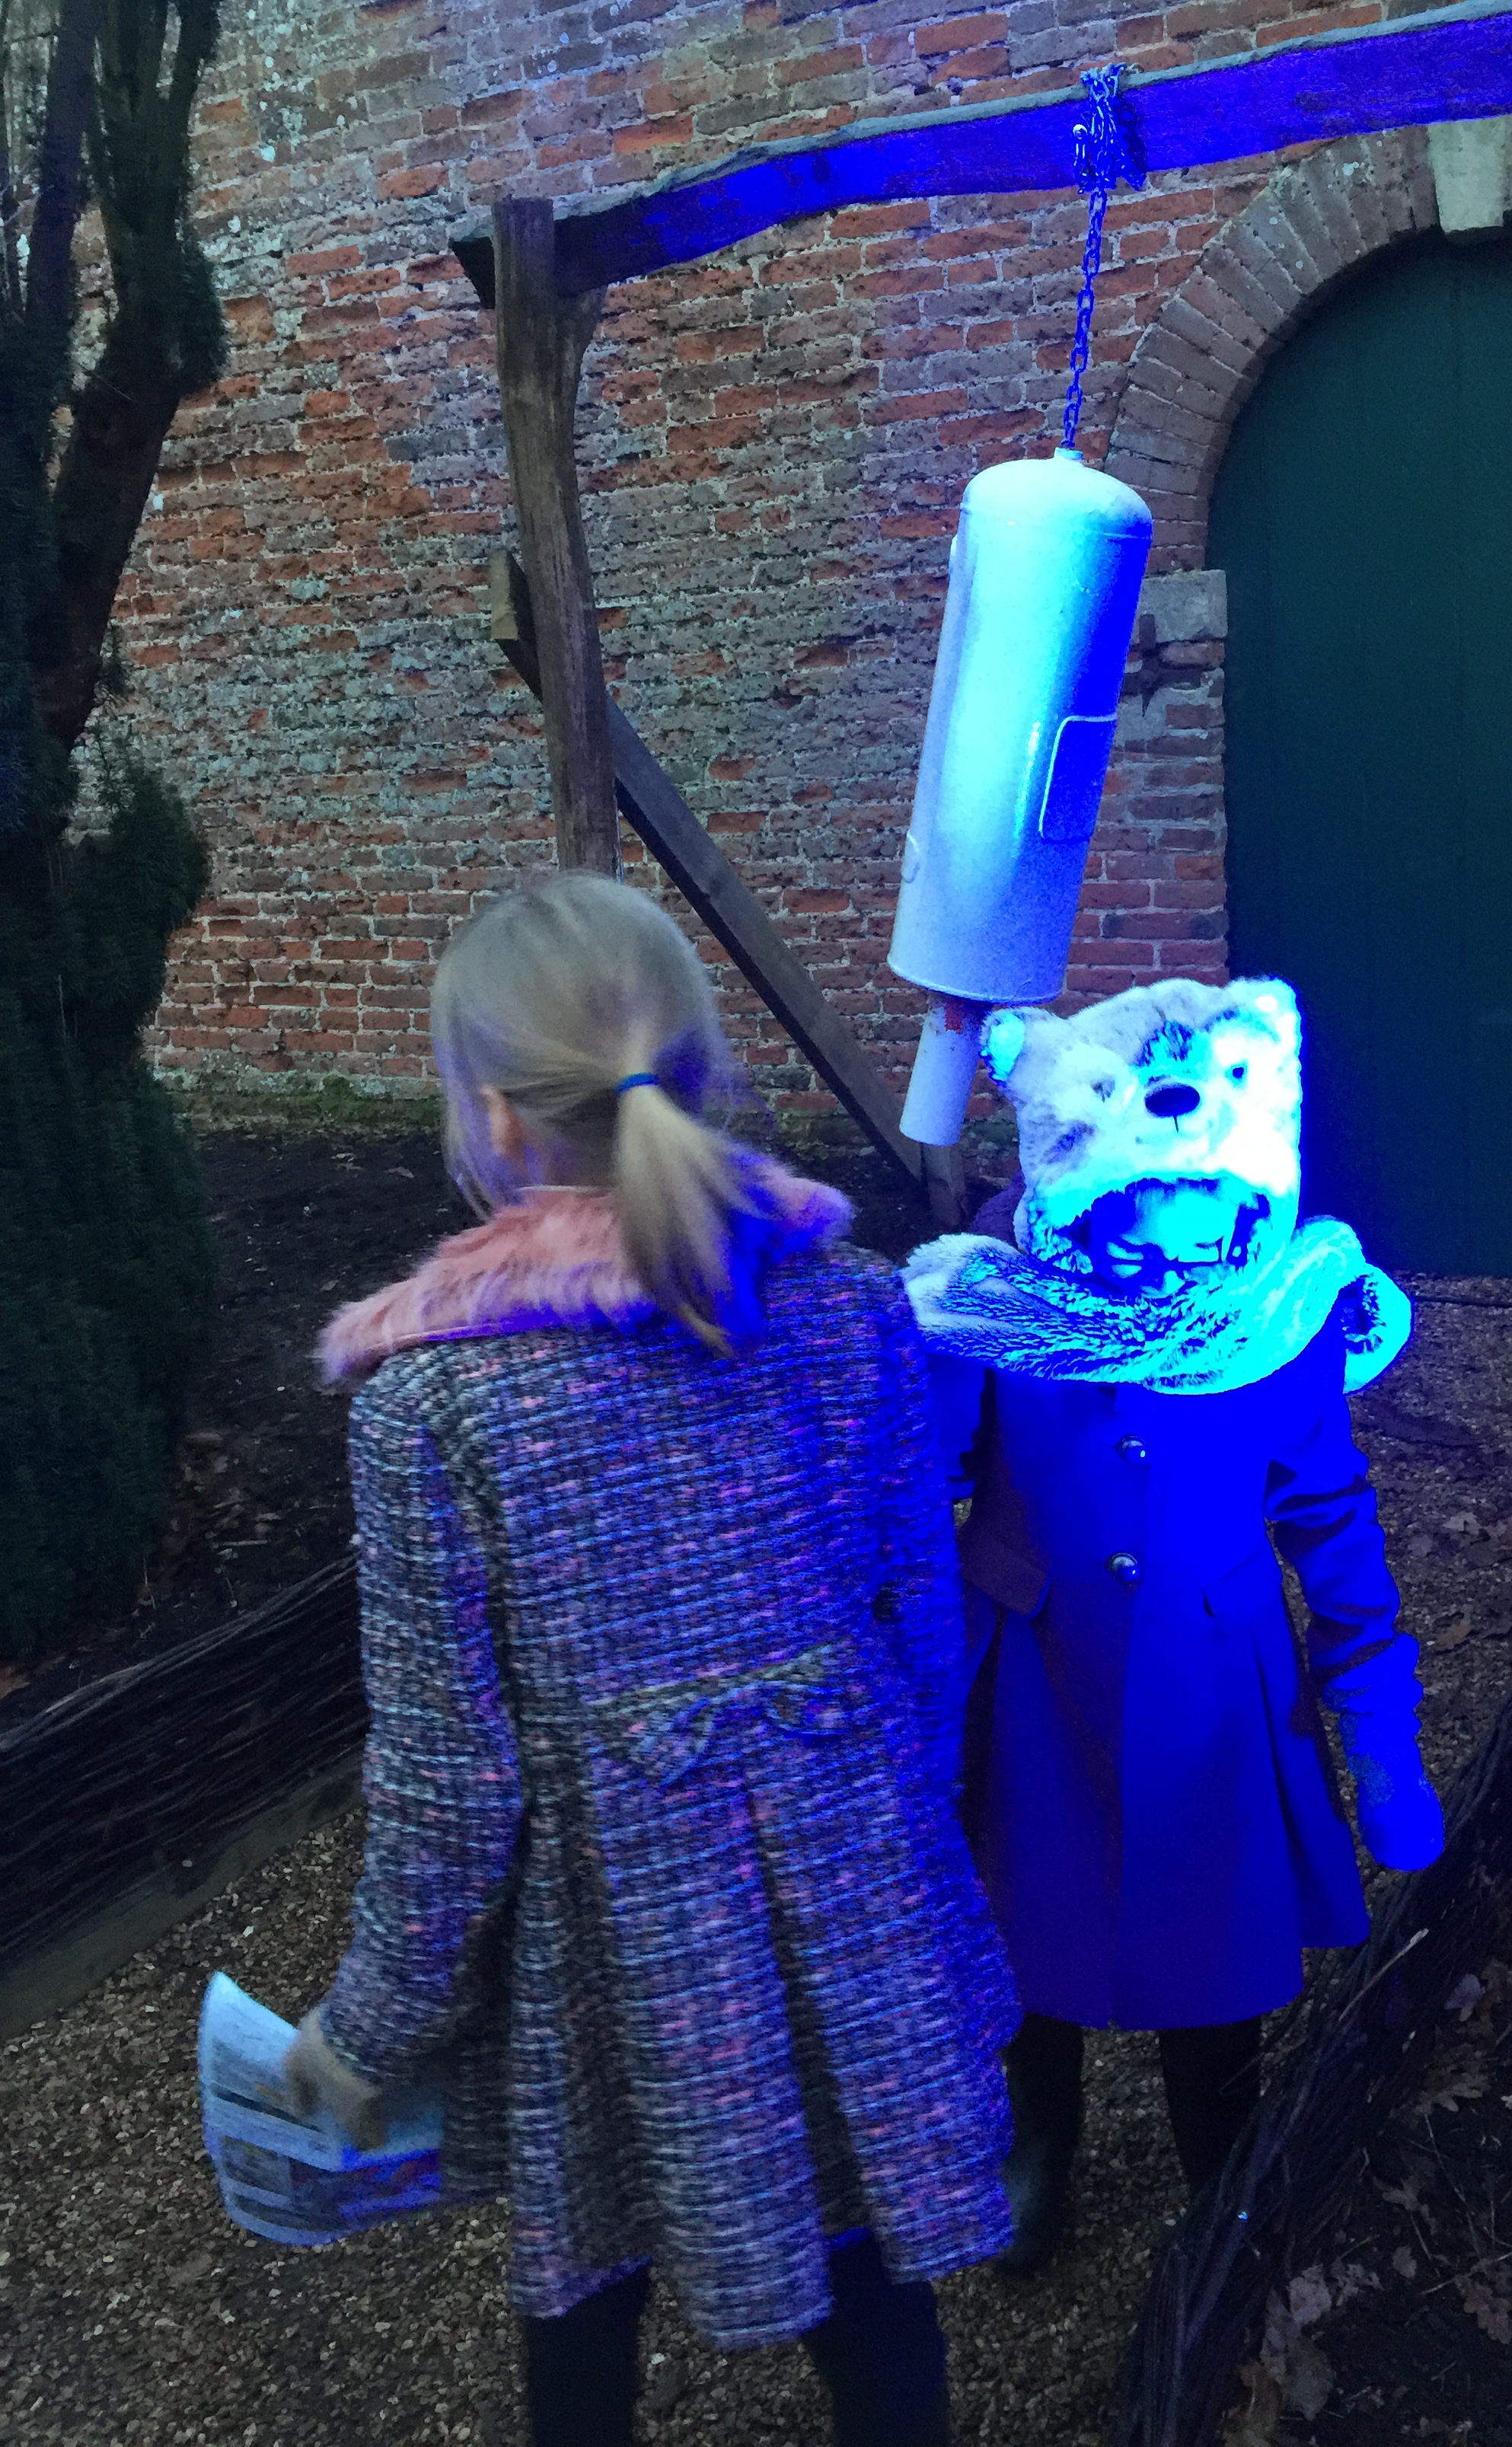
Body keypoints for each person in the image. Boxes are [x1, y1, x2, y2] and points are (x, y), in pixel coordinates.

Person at [280, 873, 1016, 2446]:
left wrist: (365, 2030)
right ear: (696, 1064)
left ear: (493, 1114)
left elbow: (450, 1795)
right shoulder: (859, 1312)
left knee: (584, 2291)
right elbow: (922, 1629)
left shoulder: (436, 1408)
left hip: (611, 1953)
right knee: (878, 2270)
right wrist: (882, 1846)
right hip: (857, 1891)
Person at [903, 973, 1445, 2276]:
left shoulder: (1282, 1315)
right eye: (1144, 1225)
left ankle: (1223, 2149)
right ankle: (1041, 2134)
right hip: (1036, 1671)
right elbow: (920, 1484)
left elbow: (1327, 1506)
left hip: (1215, 1672)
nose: (1178, 1260)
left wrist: (1375, 1713)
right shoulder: (997, 1308)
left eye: (1208, 1222)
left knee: (1214, 1924)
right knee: (1031, 1909)